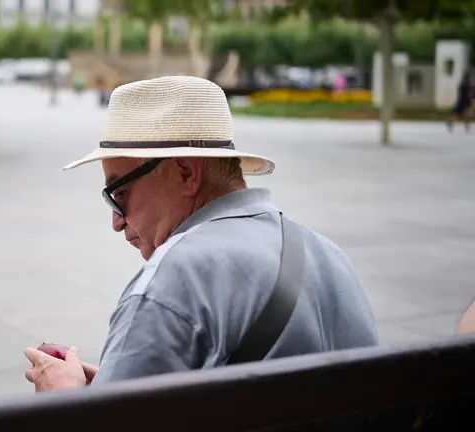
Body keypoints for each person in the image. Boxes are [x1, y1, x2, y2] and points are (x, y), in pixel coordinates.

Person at [24, 75, 379, 392]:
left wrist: (63, 396)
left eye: (119, 194)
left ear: (187, 174)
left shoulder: (174, 279)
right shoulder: (327, 254)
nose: (116, 222)